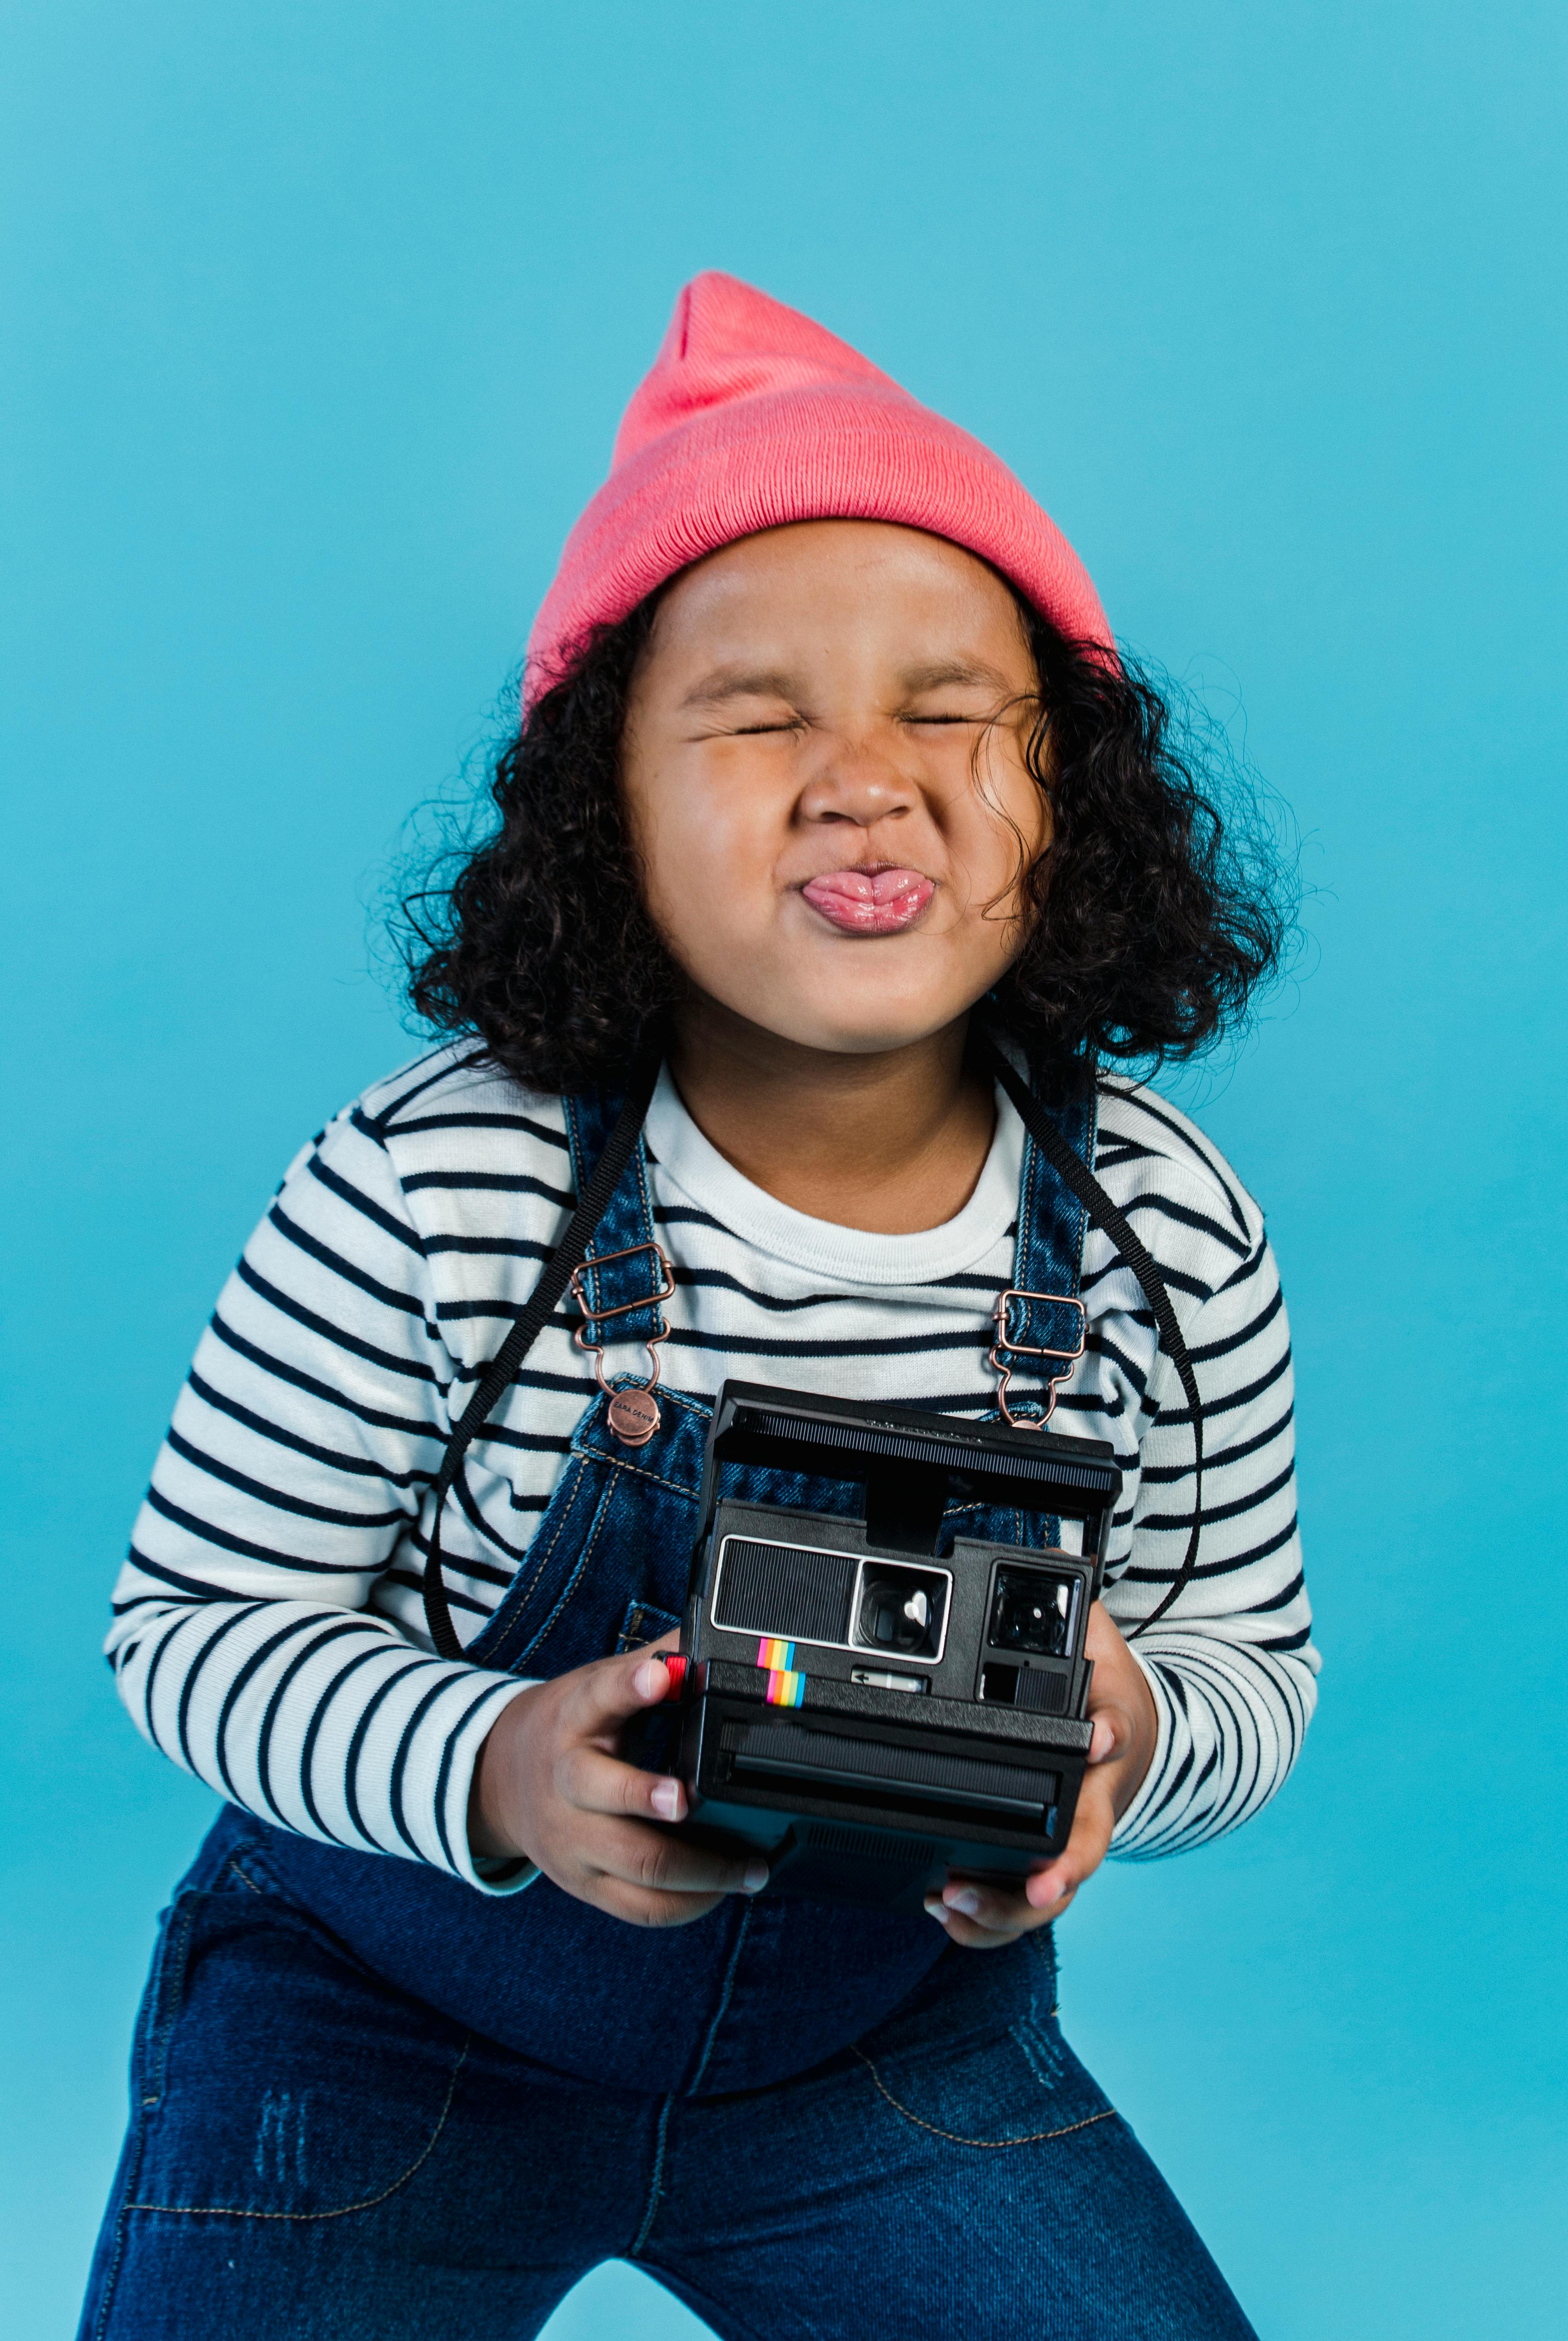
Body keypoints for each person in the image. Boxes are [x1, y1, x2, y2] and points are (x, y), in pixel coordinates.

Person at [80, 272, 1316, 2341]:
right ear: (606, 823)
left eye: (950, 712)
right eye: (757, 719)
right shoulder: (435, 1181)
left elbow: (1246, 1659)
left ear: (1071, 800)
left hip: (879, 2059)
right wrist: (493, 1766)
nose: (863, 779)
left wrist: (1131, 1727)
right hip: (383, 2029)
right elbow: (190, 1631)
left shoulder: (1159, 1235)